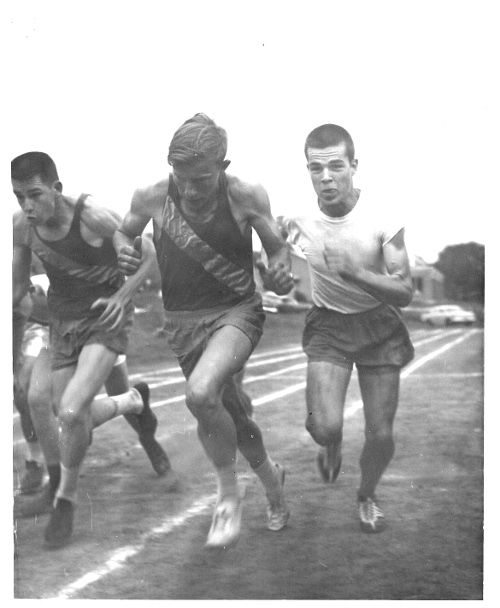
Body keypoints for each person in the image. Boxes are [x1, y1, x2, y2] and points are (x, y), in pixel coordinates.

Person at [114, 113, 294, 548]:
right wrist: (124, 253)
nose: (191, 189)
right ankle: (272, 480)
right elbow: (123, 235)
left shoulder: (246, 195)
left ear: (223, 167)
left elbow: (278, 252)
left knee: (199, 394)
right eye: (182, 178)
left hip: (236, 312)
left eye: (202, 179)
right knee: (230, 411)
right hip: (181, 322)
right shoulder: (152, 196)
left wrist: (280, 274)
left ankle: (228, 496)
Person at [12, 152, 174, 549]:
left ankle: (64, 500)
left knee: (69, 411)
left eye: (34, 194)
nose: (27, 206)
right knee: (54, 407)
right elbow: (17, 290)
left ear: (57, 188)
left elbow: (148, 251)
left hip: (105, 316)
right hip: (62, 322)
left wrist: (123, 294)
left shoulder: (93, 216)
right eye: (19, 197)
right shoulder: (22, 227)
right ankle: (132, 401)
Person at [281, 124, 414, 533]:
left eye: (336, 166)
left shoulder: (383, 217)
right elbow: (279, 262)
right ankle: (332, 442)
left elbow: (405, 290)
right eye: (315, 168)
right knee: (324, 427)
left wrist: (356, 273)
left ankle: (367, 493)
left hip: (379, 325)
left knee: (380, 437)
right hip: (328, 325)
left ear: (354, 166)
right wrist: (279, 279)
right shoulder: (296, 219)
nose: (326, 177)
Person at [13, 280, 50, 495]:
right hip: (18, 325)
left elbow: (22, 307)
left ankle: (35, 458)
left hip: (39, 325)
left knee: (23, 388)